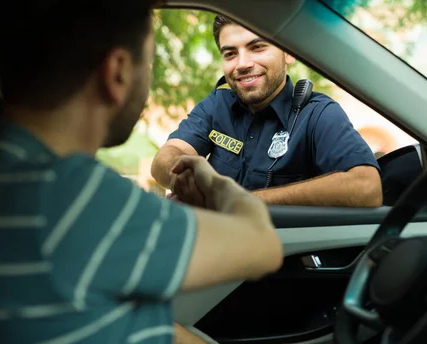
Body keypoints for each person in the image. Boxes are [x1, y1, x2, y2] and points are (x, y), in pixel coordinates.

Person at [0, 1, 372, 344]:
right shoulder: (79, 197)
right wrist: (216, 183)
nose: (241, 64)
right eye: (150, 59)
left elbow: (119, 317)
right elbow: (261, 244)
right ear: (118, 72)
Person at [151, 15, 382, 208]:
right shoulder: (217, 104)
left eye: (257, 47)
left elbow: (367, 186)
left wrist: (241, 201)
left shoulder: (318, 114)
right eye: (230, 53)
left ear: (289, 52)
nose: (242, 63)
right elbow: (167, 156)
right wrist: (186, 181)